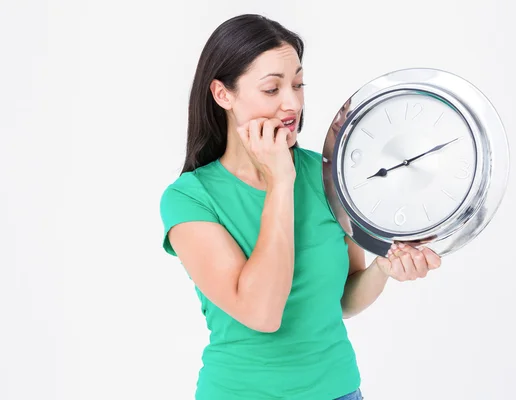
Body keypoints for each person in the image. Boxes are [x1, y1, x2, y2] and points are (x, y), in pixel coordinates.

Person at [159, 14, 442, 400]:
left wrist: (383, 268)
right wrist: (280, 181)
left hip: (339, 391)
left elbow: (342, 298)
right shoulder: (190, 198)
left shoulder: (328, 175)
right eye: (272, 89)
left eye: (297, 84)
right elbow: (262, 313)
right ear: (223, 94)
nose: (292, 103)